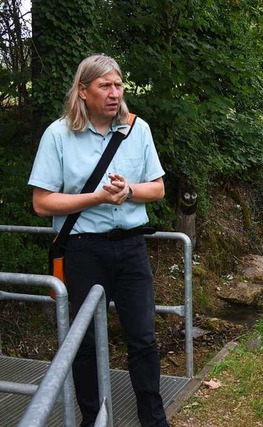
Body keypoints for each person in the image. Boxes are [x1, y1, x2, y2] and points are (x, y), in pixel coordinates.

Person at [28, 54, 168, 427]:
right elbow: (42, 203)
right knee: (86, 343)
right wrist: (98, 198)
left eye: (118, 85)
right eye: (104, 85)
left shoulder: (138, 130)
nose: (114, 93)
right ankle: (92, 418)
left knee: (143, 338)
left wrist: (128, 191)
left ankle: (154, 420)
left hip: (131, 246)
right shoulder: (58, 134)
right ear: (83, 91)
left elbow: (157, 189)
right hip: (83, 249)